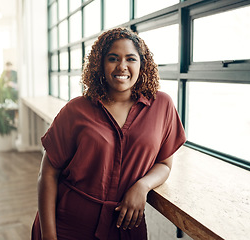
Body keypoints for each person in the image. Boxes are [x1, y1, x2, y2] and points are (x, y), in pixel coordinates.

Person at [31, 27, 186, 240]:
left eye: (131, 58)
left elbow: (165, 164)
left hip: (126, 227)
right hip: (69, 226)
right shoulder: (76, 110)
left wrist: (142, 186)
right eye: (113, 58)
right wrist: (49, 236)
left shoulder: (162, 106)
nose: (122, 66)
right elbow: (48, 174)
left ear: (142, 64)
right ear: (100, 64)